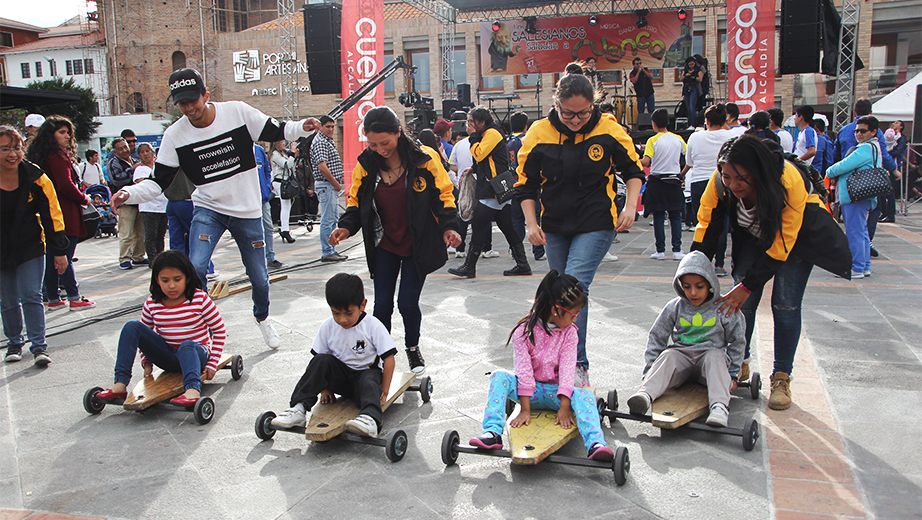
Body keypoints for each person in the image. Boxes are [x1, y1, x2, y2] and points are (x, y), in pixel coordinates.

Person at [111, 68, 322, 350]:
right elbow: (158, 181)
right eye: (181, 104)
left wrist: (302, 126)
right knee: (196, 266)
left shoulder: (236, 112)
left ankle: (263, 318)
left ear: (206, 96)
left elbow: (276, 128)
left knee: (259, 277)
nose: (188, 109)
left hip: (246, 211)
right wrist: (128, 193)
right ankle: (198, 328)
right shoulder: (175, 135)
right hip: (208, 208)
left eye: (192, 102)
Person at [691, 135, 851, 410]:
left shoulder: (787, 182)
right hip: (753, 237)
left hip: (796, 240)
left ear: (758, 172)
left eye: (740, 178)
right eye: (727, 177)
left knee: (785, 305)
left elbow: (783, 246)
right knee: (740, 307)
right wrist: (695, 268)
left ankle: (781, 377)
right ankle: (738, 363)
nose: (733, 185)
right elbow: (707, 222)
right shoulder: (721, 179)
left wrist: (747, 286)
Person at [516, 72, 644, 386]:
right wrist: (531, 224)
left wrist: (630, 206)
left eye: (584, 113)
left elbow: (633, 169)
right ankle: (552, 361)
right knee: (556, 293)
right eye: (568, 113)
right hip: (555, 225)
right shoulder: (539, 133)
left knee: (573, 289)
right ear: (555, 104)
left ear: (594, 106)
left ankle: (577, 366)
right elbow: (525, 185)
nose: (576, 120)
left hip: (596, 221)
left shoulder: (608, 128)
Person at [329, 106, 461, 375]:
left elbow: (444, 196)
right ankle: (381, 354)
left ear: (398, 133)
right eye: (373, 143)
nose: (380, 149)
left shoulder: (424, 159)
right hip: (384, 244)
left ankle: (412, 348)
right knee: (383, 305)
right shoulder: (367, 164)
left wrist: (449, 227)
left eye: (385, 142)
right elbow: (356, 203)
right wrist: (345, 227)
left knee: (407, 303)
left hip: (417, 244)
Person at [469, 270, 614, 461]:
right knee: (499, 376)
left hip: (558, 394)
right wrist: (525, 409)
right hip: (532, 393)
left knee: (586, 394)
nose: (576, 318)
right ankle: (492, 433)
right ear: (555, 309)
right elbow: (523, 371)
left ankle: (596, 444)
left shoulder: (569, 333)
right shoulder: (524, 331)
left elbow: (567, 369)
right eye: (574, 313)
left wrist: (564, 407)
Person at [626, 252, 746, 427]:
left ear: (710, 284)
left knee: (715, 356)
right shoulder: (675, 306)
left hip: (709, 361)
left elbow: (737, 341)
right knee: (669, 355)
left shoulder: (724, 307)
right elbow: (657, 336)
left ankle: (719, 407)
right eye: (687, 287)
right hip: (681, 358)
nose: (693, 292)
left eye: (699, 286)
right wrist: (650, 370)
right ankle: (645, 395)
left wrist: (733, 374)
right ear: (680, 285)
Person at [93, 250, 226, 407]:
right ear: (157, 280)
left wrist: (212, 363)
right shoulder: (152, 303)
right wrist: (146, 360)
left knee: (187, 345)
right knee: (132, 327)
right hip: (168, 356)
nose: (171, 286)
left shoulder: (200, 299)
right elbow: (145, 334)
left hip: (196, 355)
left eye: (177, 279)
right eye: (165, 280)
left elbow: (219, 331)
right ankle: (120, 384)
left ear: (187, 278)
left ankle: (192, 390)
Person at [269, 273, 396, 436]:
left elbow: (389, 358)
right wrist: (325, 389)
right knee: (320, 360)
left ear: (362, 305)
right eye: (336, 313)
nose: (342, 319)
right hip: (341, 379)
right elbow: (319, 364)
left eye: (349, 313)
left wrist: (384, 391)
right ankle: (299, 408)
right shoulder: (328, 327)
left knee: (369, 379)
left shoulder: (373, 326)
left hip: (365, 379)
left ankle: (370, 418)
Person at [1, 126, 68, 365]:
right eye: (5, 149)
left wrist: (59, 251)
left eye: (17, 148)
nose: (12, 154)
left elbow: (53, 214)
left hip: (29, 244)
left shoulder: (35, 176)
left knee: (31, 295)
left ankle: (39, 347)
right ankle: (14, 344)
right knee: (7, 300)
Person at [447, 106, 531, 278]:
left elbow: (479, 153)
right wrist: (474, 168)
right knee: (507, 227)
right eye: (468, 122)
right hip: (495, 187)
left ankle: (469, 267)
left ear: (482, 122)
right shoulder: (487, 133)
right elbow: (486, 158)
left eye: (471, 122)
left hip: (494, 188)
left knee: (478, 224)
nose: (468, 125)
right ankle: (523, 264)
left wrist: (472, 137)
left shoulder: (492, 133)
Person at [24, 116, 96, 311]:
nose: (67, 136)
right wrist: (84, 198)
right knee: (64, 254)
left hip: (50, 210)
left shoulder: (41, 155)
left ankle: (53, 297)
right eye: (62, 132)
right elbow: (66, 185)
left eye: (68, 132)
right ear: (51, 134)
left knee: (54, 255)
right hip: (64, 210)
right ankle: (73, 296)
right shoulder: (56, 156)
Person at [826, 116, 884, 279]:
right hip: (864, 195)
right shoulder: (874, 147)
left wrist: (829, 171)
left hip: (854, 196)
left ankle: (857, 267)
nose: (858, 134)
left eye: (862, 131)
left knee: (854, 232)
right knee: (861, 231)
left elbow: (843, 166)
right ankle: (864, 266)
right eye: (856, 130)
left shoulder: (865, 149)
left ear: (873, 132)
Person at [682, 104, 732, 275]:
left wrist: (682, 175)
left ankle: (702, 262)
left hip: (700, 182)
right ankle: (719, 264)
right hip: (723, 181)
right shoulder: (731, 135)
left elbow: (689, 162)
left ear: (706, 120)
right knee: (722, 224)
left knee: (702, 223)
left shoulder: (695, 137)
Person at [642, 109, 687, 261]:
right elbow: (689, 158)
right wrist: (682, 174)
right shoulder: (679, 139)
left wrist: (634, 158)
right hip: (674, 179)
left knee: (659, 216)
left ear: (653, 124)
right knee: (675, 216)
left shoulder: (652, 140)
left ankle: (660, 251)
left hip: (657, 181)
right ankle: (677, 250)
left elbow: (646, 161)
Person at [507, 111, 545, 261]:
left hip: (513, 184)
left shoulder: (508, 141)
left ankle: (516, 250)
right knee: (534, 217)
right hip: (529, 184)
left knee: (516, 219)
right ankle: (539, 251)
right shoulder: (527, 139)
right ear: (525, 125)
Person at [311, 115, 347, 262]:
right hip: (326, 184)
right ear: (321, 127)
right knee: (327, 219)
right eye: (328, 127)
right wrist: (335, 183)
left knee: (332, 218)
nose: (331, 129)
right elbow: (322, 167)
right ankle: (327, 250)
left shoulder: (326, 141)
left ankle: (330, 249)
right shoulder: (320, 142)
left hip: (329, 185)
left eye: (332, 126)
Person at [107, 137, 147, 270]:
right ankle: (124, 258)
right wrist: (132, 170)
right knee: (126, 232)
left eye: (125, 147)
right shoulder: (114, 163)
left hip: (138, 201)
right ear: (115, 151)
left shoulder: (135, 160)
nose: (125, 150)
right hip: (125, 202)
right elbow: (117, 180)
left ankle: (138, 256)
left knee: (140, 232)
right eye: (120, 148)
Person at [133, 143, 169, 265]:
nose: (145, 154)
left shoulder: (158, 166)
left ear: (153, 153)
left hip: (163, 206)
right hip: (149, 206)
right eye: (142, 152)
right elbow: (142, 183)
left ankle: (161, 258)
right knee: (151, 234)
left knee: (161, 234)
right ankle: (152, 260)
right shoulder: (140, 169)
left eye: (147, 151)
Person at [256, 142, 283, 269]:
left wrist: (267, 187)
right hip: (250, 200)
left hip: (263, 198)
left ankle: (270, 257)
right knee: (255, 231)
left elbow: (267, 171)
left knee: (268, 226)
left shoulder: (259, 151)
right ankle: (257, 261)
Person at [270, 140, 296, 244]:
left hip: (284, 181)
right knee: (285, 206)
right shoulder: (275, 154)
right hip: (280, 182)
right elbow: (287, 165)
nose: (283, 144)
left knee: (286, 206)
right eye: (281, 142)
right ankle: (285, 230)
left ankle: (285, 229)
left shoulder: (282, 153)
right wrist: (292, 154)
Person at [681, 56, 703, 128]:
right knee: (687, 107)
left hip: (694, 88)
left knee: (692, 107)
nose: (691, 66)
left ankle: (692, 124)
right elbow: (681, 78)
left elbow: (700, 79)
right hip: (686, 88)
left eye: (693, 64)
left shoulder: (698, 69)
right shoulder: (686, 69)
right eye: (690, 64)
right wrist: (686, 76)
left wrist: (693, 77)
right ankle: (689, 123)